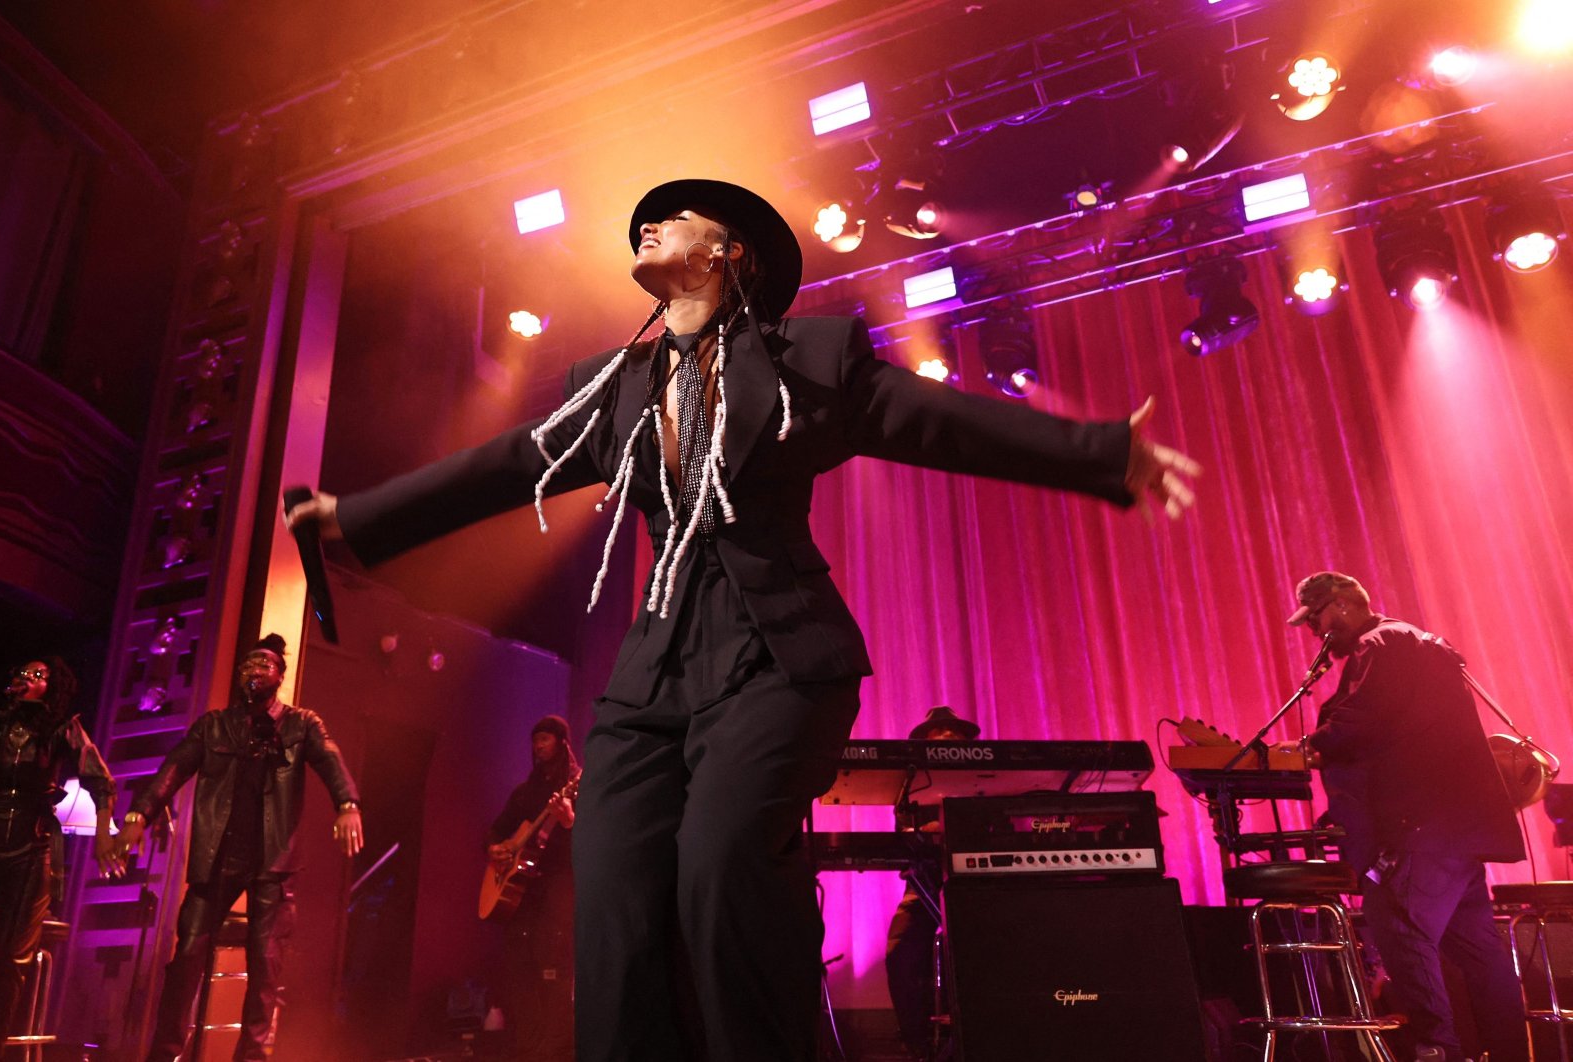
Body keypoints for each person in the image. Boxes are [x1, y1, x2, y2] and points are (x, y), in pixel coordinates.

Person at [285, 177, 1199, 1061]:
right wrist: (356, 519)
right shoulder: (616, 386)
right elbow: (501, 465)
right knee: (611, 891)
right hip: (655, 671)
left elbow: (936, 422)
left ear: (727, 252)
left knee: (721, 865)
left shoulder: (806, 361)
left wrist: (1103, 454)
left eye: (668, 219)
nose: (643, 227)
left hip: (775, 654)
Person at [1277, 572, 1529, 1062]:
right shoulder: (1413, 640)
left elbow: (1361, 721)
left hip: (1421, 829)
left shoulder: (1381, 642)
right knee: (1480, 955)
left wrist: (1310, 747)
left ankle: (1439, 1051)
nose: (1314, 632)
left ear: (1345, 604)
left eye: (1317, 618)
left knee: (1401, 935)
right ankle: (1512, 1053)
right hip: (1454, 831)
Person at [115, 634, 364, 1062]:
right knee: (188, 954)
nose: (253, 670)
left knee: (266, 966)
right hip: (217, 858)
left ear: (280, 676)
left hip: (273, 860)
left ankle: (250, 1056)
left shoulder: (301, 724)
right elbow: (173, 769)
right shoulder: (213, 725)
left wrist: (348, 805)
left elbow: (330, 761)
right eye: (247, 663)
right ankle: (166, 1052)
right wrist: (138, 816)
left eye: (264, 664)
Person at [0, 656, 120, 1062]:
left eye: (38, 675)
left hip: (32, 848)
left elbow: (98, 777)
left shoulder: (61, 729)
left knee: (12, 962)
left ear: (51, 688)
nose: (26, 677)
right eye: (22, 672)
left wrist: (105, 836)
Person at [886, 705, 979, 1062]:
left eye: (953, 735)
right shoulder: (911, 784)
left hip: (977, 888)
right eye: (938, 735)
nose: (946, 740)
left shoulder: (987, 777)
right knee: (901, 952)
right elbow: (905, 835)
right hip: (924, 887)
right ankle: (917, 1044)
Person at [484, 714, 579, 1061]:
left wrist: (570, 822)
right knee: (519, 966)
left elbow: (592, 841)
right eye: (535, 740)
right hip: (523, 895)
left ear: (562, 743)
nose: (538, 746)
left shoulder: (578, 785)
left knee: (554, 967)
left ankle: (560, 1048)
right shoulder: (525, 793)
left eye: (546, 739)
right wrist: (494, 848)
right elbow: (497, 829)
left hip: (558, 887)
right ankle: (529, 1045)